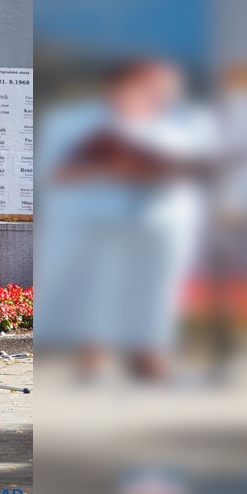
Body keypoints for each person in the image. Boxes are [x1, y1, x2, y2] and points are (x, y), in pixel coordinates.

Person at [35, 58, 216, 381]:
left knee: (155, 293)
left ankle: (148, 356)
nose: (158, 94)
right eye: (148, 86)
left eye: (163, 88)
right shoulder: (75, 122)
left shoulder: (174, 125)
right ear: (117, 86)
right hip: (97, 221)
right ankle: (92, 358)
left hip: (158, 222)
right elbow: (54, 172)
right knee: (102, 289)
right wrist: (107, 169)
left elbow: (196, 168)